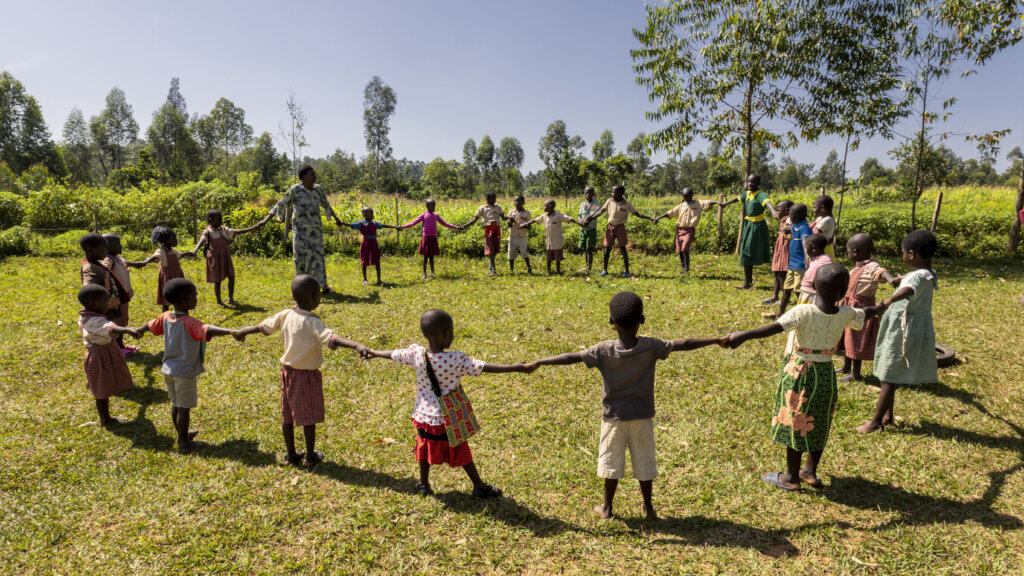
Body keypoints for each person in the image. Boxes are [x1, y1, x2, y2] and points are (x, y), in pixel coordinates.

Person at [525, 292, 723, 519]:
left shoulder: (603, 350)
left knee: (611, 464)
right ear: (642, 320)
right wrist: (716, 340)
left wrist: (539, 362)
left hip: (613, 418)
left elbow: (571, 357)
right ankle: (648, 507)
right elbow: (684, 344)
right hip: (642, 416)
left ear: (611, 321)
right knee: (644, 462)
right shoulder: (651, 346)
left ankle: (607, 507)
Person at [722, 263, 887, 490]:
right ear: (842, 293)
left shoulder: (803, 310)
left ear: (813, 287)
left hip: (799, 372)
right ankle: (810, 471)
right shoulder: (845, 313)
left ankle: (790, 477)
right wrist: (891, 300)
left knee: (795, 421)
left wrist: (742, 336)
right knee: (819, 420)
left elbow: (774, 328)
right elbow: (868, 312)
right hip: (826, 373)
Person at [361, 309, 533, 498]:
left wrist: (375, 352)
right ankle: (478, 485)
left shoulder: (416, 354)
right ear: (445, 333)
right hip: (448, 417)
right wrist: (515, 368)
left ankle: (424, 484)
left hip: (423, 416)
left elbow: (394, 354)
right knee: (460, 449)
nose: (452, 334)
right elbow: (484, 367)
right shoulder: (455, 359)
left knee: (424, 448)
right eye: (451, 331)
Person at [233, 275, 368, 466]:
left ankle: (291, 455)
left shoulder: (285, 314)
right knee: (308, 418)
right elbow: (331, 338)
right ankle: (311, 457)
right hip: (306, 377)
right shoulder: (313, 322)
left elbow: (263, 327)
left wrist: (242, 332)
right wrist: (356, 345)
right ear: (314, 297)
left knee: (287, 416)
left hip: (287, 374)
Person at [133, 279, 234, 453]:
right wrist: (232, 332)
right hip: (184, 372)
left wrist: (140, 330)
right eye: (195, 295)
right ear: (187, 299)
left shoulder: (165, 317)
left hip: (168, 369)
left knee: (176, 405)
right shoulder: (189, 322)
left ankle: (182, 435)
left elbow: (150, 325)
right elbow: (208, 329)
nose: (197, 297)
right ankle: (184, 444)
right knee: (183, 408)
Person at [857, 230, 939, 434]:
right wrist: (900, 279)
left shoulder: (915, 279)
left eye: (903, 253)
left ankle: (875, 421)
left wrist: (886, 302)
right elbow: (913, 281)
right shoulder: (929, 273)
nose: (902, 256)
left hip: (902, 328)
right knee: (890, 373)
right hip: (913, 325)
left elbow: (909, 289)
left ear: (911, 254)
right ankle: (887, 416)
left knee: (889, 375)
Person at [271, 165, 344, 294]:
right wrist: (266, 219)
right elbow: (282, 203)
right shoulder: (296, 190)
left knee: (318, 258)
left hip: (316, 231)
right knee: (300, 258)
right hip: (300, 232)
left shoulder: (318, 189)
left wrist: (337, 219)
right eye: (312, 174)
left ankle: (323, 286)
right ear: (303, 177)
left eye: (314, 174)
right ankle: (301, 287)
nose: (314, 176)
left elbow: (326, 205)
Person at [838, 233, 896, 382]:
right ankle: (846, 367)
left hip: (862, 309)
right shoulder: (858, 266)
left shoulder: (871, 266)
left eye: (848, 250)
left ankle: (855, 374)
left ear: (855, 252)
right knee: (847, 337)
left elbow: (880, 272)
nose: (847, 253)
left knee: (857, 340)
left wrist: (890, 279)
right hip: (849, 306)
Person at [77, 284, 138, 428]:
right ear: (93, 304)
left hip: (106, 352)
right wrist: (128, 330)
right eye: (105, 302)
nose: (108, 304)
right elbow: (109, 327)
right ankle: (105, 419)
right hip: (99, 356)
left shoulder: (91, 314)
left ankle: (106, 417)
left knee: (106, 384)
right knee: (101, 391)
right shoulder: (91, 321)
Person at [191, 209, 273, 306]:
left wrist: (252, 228)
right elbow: (202, 240)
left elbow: (236, 231)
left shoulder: (222, 229)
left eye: (221, 219)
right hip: (215, 258)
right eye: (218, 220)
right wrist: (195, 250)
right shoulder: (208, 232)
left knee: (231, 275)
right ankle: (219, 301)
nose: (221, 221)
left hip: (225, 256)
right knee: (218, 280)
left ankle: (230, 298)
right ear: (210, 220)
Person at [652, 186, 729, 273]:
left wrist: (719, 203)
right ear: (683, 197)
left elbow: (709, 202)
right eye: (685, 197)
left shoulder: (698, 204)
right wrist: (658, 218)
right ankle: (683, 267)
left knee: (685, 248)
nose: (686, 198)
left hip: (689, 230)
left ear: (692, 195)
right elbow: (670, 212)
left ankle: (686, 268)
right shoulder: (681, 206)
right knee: (680, 250)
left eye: (688, 196)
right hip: (679, 230)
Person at [585, 184, 653, 278]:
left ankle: (627, 271)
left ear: (621, 193)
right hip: (610, 227)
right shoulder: (609, 201)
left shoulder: (627, 204)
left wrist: (650, 218)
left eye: (614, 192)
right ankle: (605, 270)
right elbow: (601, 211)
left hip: (620, 227)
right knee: (607, 249)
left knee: (623, 249)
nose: (612, 193)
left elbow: (637, 214)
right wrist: (590, 218)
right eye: (612, 191)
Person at [79, 233, 130, 352]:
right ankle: (113, 351)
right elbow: (88, 285)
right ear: (90, 249)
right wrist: (98, 297)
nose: (106, 251)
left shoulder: (95, 263)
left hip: (109, 303)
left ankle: (118, 348)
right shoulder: (89, 267)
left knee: (115, 325)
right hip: (104, 306)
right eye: (104, 248)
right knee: (108, 328)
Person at [127, 226, 194, 312]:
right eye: (173, 238)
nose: (176, 240)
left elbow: (181, 255)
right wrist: (137, 263)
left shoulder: (173, 251)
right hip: (168, 278)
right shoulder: (161, 252)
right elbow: (149, 260)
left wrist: (189, 253)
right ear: (166, 240)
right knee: (166, 300)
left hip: (177, 276)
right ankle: (164, 317)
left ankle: (179, 314)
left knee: (179, 297)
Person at [733, 173, 780, 289]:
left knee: (748, 251)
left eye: (753, 182)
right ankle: (747, 281)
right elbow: (738, 198)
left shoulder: (760, 195)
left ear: (758, 183)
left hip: (757, 226)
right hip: (748, 225)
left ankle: (748, 282)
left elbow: (767, 203)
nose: (750, 184)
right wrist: (724, 203)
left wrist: (773, 212)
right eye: (748, 181)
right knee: (745, 250)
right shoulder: (747, 193)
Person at [765, 204, 811, 320]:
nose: (789, 216)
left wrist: (807, 257)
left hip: (800, 265)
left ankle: (804, 314)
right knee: (787, 288)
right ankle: (780, 312)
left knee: (798, 290)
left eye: (791, 215)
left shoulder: (804, 228)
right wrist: (786, 229)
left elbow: (806, 241)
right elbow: (791, 233)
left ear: (798, 215)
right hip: (792, 264)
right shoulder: (796, 226)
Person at [399, 198, 461, 279]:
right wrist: (403, 227)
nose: (434, 207)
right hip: (426, 238)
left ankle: (432, 273)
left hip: (433, 238)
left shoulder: (436, 215)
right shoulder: (423, 215)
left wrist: (457, 227)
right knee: (425, 257)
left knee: (431, 257)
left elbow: (445, 223)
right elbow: (413, 222)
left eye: (435, 205)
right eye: (433, 205)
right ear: (427, 206)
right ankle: (424, 273)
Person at [521, 199, 583, 275]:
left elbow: (569, 219)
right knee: (548, 258)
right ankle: (548, 272)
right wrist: (526, 224)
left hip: (557, 241)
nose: (543, 208)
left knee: (557, 258)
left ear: (550, 207)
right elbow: (535, 220)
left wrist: (579, 223)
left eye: (545, 206)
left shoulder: (558, 215)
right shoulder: (544, 216)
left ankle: (558, 271)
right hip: (549, 241)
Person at [102, 233, 138, 356]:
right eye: (118, 244)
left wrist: (139, 263)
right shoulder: (108, 260)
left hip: (124, 296)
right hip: (116, 298)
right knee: (117, 322)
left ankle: (121, 345)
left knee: (122, 321)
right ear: (107, 247)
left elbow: (126, 263)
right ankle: (118, 348)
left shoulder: (118, 258)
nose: (121, 246)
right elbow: (104, 270)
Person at [343, 207, 398, 286]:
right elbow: (351, 225)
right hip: (366, 243)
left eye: (372, 213)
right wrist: (341, 223)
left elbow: (383, 225)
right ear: (364, 215)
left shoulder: (374, 223)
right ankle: (365, 279)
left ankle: (379, 280)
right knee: (364, 259)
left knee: (377, 260)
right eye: (370, 213)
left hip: (374, 243)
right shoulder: (361, 223)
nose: (372, 215)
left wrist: (394, 227)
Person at [460, 191, 507, 276]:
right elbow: (475, 219)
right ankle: (493, 270)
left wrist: (510, 218)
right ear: (487, 199)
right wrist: (465, 226)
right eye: (492, 199)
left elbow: (503, 217)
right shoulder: (483, 208)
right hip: (488, 230)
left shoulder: (498, 207)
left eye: (495, 198)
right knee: (490, 248)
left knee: (495, 249)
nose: (494, 200)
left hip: (497, 230)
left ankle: (490, 268)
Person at [766, 200, 794, 305]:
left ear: (787, 210)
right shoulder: (784, 219)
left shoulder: (791, 220)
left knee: (782, 272)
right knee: (777, 272)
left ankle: (785, 297)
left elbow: (790, 231)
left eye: (779, 210)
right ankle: (775, 295)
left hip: (786, 247)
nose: (777, 212)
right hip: (780, 247)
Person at [797, 234, 832, 304]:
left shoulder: (825, 261)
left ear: (814, 248)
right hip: (807, 292)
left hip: (813, 295)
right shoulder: (815, 258)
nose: (806, 251)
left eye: (806, 248)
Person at [506, 194, 534, 274]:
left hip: (522, 236)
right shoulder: (511, 212)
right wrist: (510, 222)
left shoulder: (527, 213)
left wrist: (524, 225)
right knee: (511, 253)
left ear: (523, 202)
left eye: (519, 201)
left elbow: (529, 225)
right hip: (512, 236)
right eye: (515, 201)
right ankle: (511, 270)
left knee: (524, 253)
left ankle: (529, 267)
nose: (516, 203)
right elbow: (509, 225)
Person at [578, 186, 602, 274]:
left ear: (593, 194)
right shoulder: (582, 204)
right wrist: (580, 221)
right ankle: (586, 265)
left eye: (590, 193)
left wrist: (588, 220)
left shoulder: (594, 203)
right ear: (584, 194)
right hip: (583, 229)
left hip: (591, 229)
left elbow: (593, 214)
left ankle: (589, 268)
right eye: (586, 193)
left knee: (589, 249)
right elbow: (579, 215)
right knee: (585, 249)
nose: (588, 195)